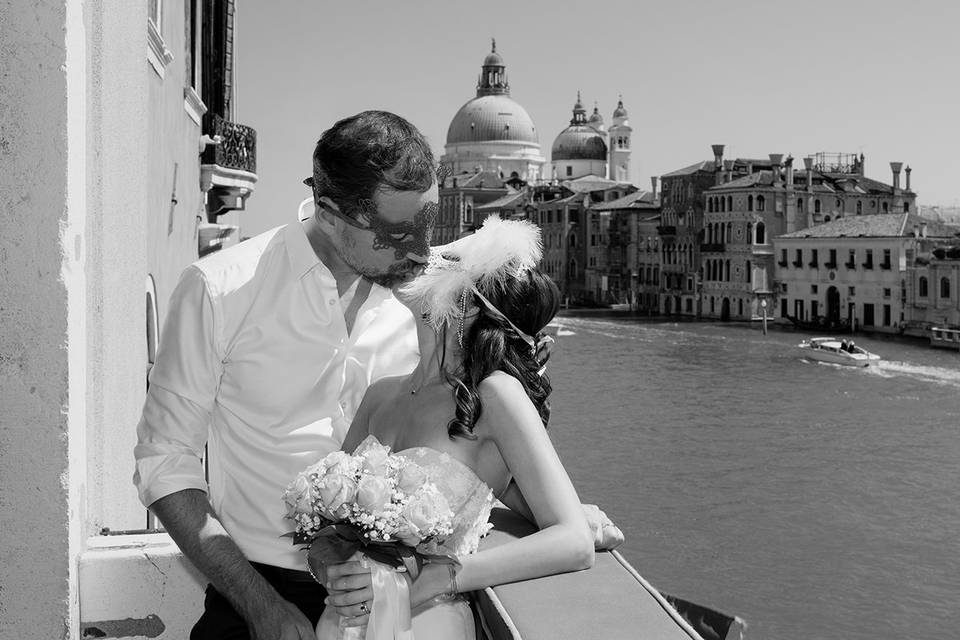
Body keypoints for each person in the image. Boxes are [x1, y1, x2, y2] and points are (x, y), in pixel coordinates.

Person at [134, 111, 621, 640]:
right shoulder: (217, 291)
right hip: (256, 589)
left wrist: (559, 509)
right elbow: (166, 464)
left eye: (426, 224)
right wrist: (259, 604)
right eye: (394, 233)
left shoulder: (429, 292)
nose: (419, 252)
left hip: (407, 600)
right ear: (330, 212)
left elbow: (466, 445)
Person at [317, 217, 597, 639]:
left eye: (444, 259)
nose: (420, 260)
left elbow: (574, 541)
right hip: (342, 624)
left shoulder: (495, 396)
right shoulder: (379, 396)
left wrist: (442, 576)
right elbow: (330, 530)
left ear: (469, 302)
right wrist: (334, 572)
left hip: (424, 624)